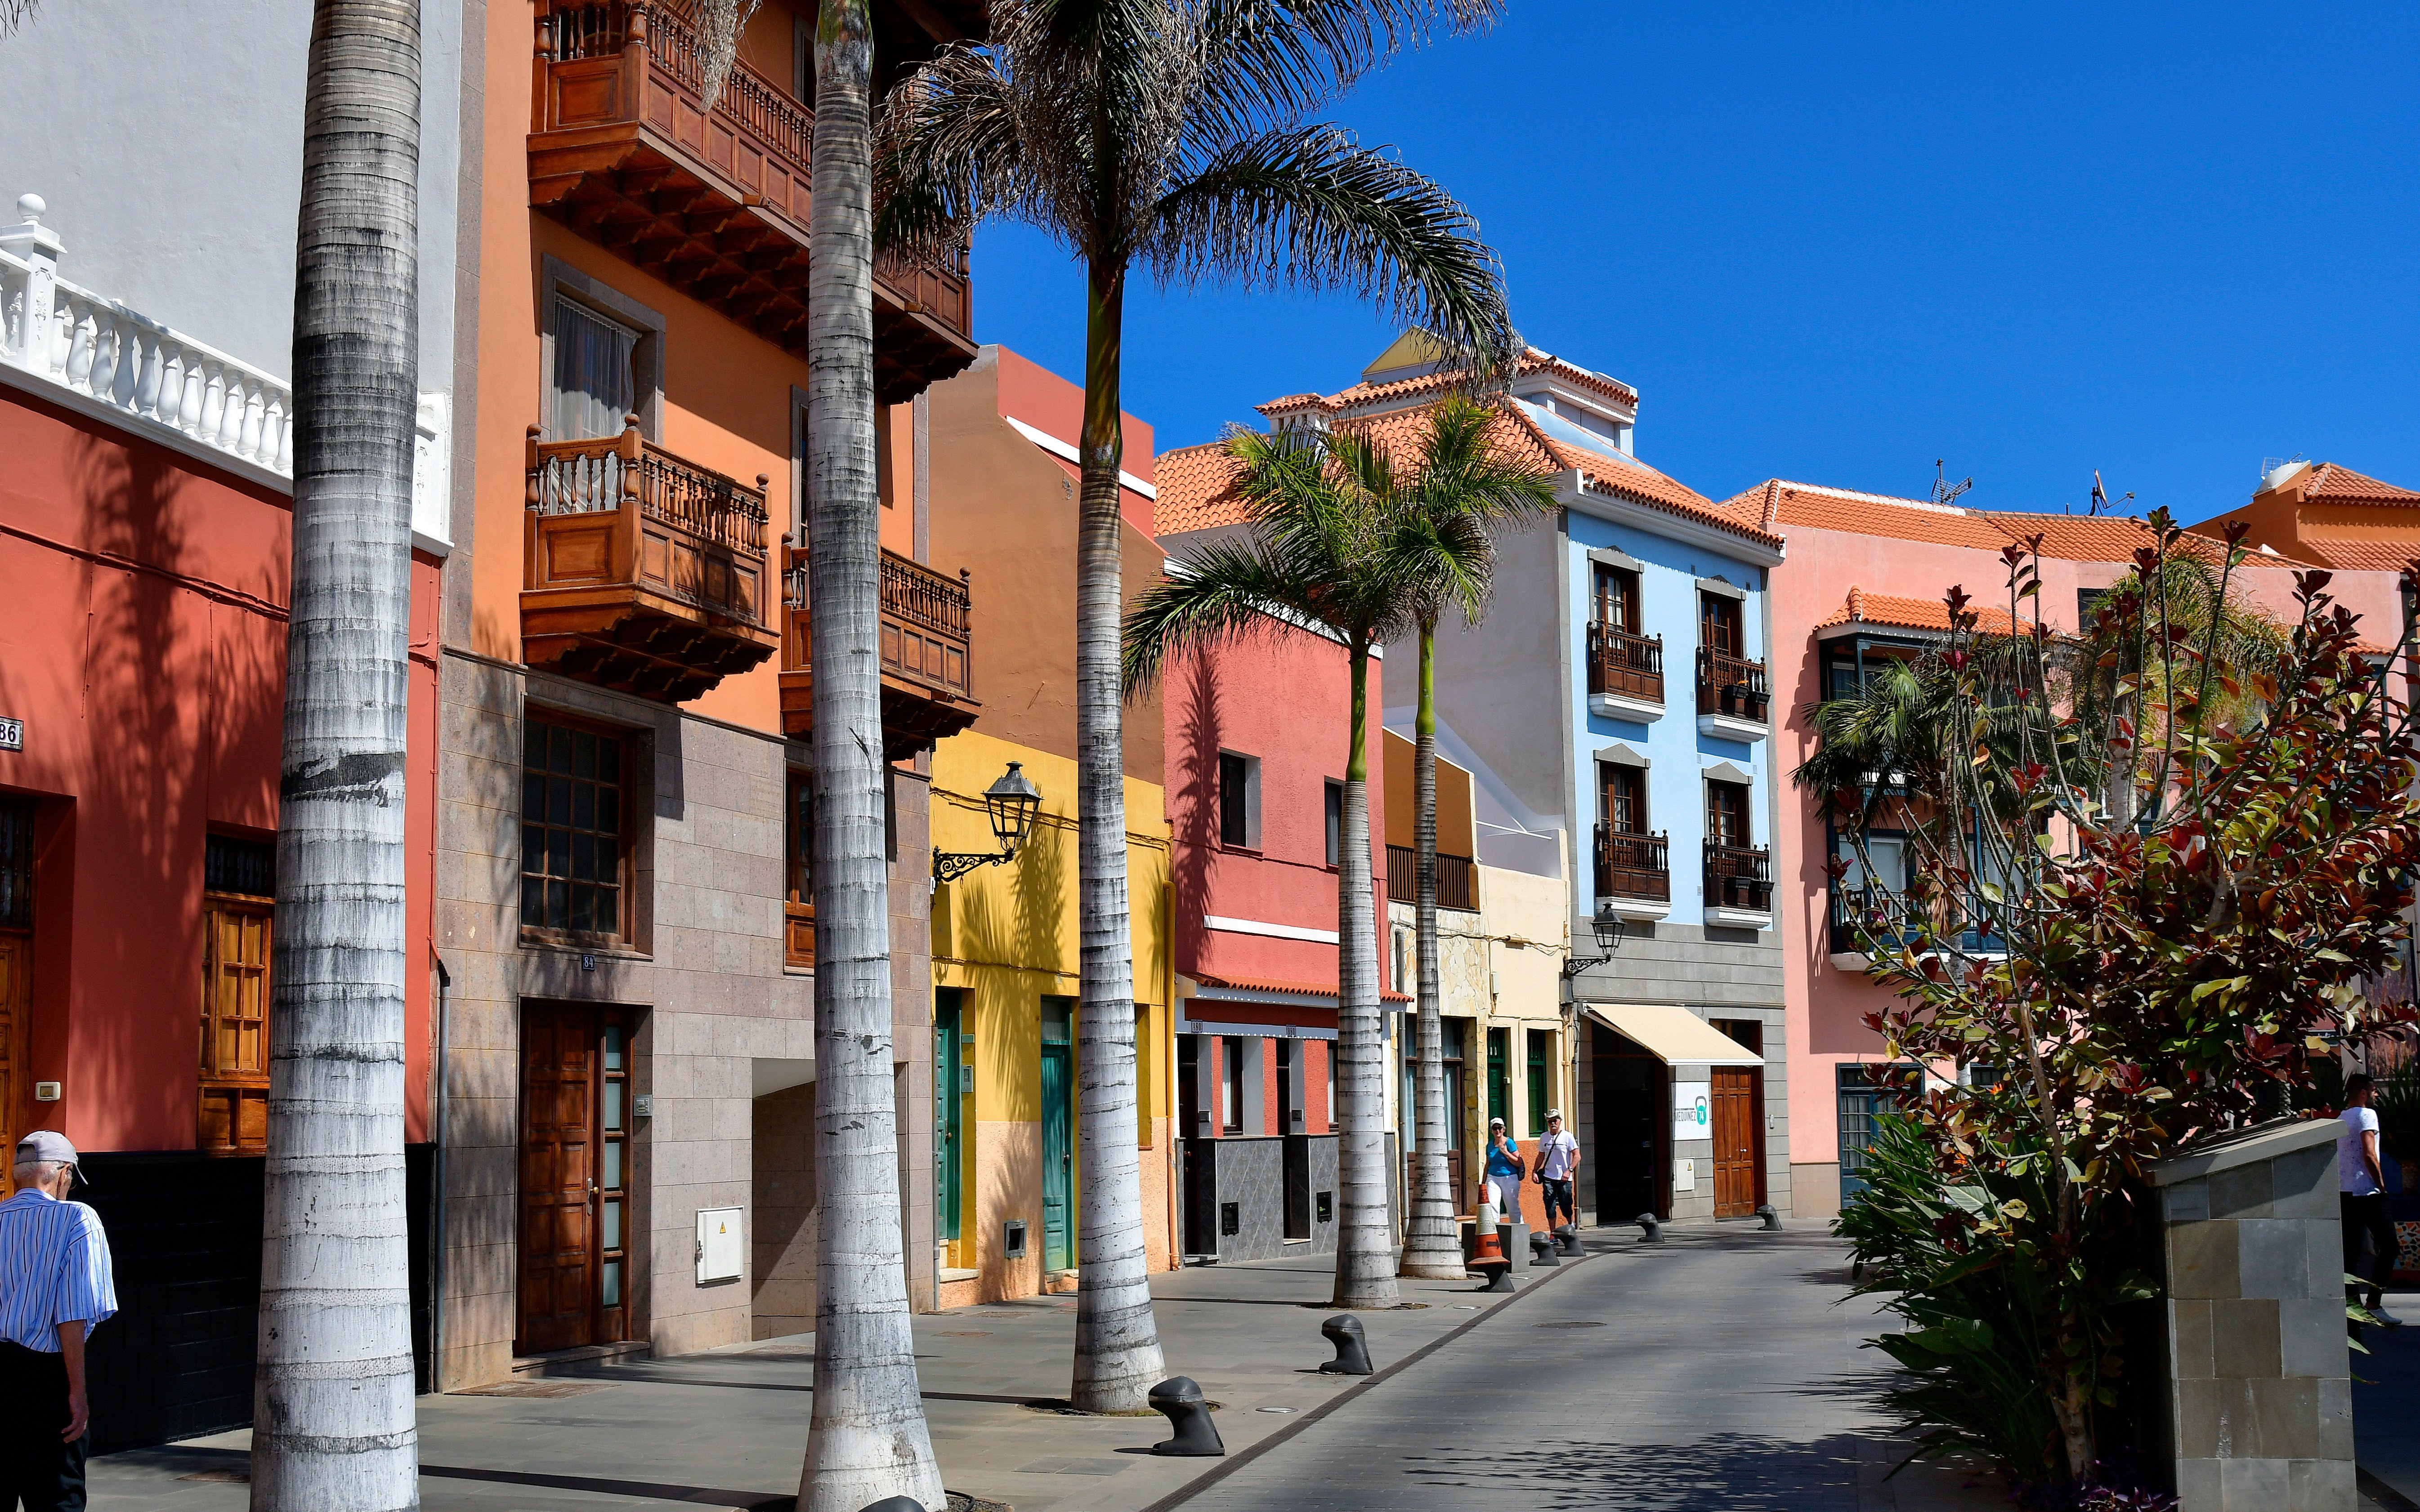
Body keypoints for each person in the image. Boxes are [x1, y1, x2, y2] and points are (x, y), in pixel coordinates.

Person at [0, 1131, 116, 1511]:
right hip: (43, 1379)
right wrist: (77, 1393)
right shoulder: (76, 1218)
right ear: (63, 1173)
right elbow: (72, 1314)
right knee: (57, 1496)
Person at [2340, 1073, 2402, 1329]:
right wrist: (2382, 1184)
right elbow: (2369, 1153)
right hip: (2368, 1192)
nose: (2377, 1095)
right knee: (2390, 1246)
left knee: (2350, 1255)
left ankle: (2352, 1309)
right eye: (2374, 1091)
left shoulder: (2341, 1117)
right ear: (2364, 1093)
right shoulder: (2367, 1115)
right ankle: (2374, 1305)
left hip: (2345, 1192)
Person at [1535, 1109, 1581, 1232]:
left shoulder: (1568, 1136)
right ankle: (1553, 1233)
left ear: (1560, 1121)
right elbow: (1541, 1156)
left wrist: (1569, 1170)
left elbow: (1577, 1156)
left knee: (1566, 1203)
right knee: (1549, 1204)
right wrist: (1535, 1171)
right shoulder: (1544, 1137)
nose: (1553, 1123)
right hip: (1549, 1176)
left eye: (1555, 1120)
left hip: (1564, 1178)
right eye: (1550, 1121)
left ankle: (1570, 1224)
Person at [1482, 1117, 1524, 1222]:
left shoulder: (1509, 1143)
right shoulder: (1490, 1145)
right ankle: (1495, 1233)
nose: (1498, 1131)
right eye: (1495, 1128)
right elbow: (1488, 1165)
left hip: (1509, 1177)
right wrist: (1483, 1183)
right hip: (1493, 1178)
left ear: (1504, 1129)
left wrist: (1506, 1153)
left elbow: (1519, 1162)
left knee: (1512, 1207)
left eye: (1500, 1128)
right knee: (1492, 1206)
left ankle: (1519, 1232)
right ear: (1492, 1131)